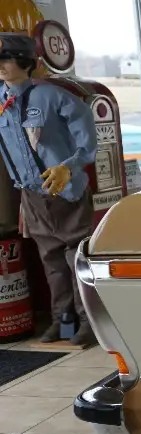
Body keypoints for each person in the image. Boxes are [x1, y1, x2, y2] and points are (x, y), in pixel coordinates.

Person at [0, 32, 98, 345]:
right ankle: (63, 321)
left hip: (65, 191)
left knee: (76, 257)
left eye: (7, 59)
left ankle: (89, 323)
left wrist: (69, 167)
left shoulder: (52, 96)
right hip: (31, 194)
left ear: (26, 63)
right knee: (51, 260)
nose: (2, 66)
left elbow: (87, 135)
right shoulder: (2, 102)